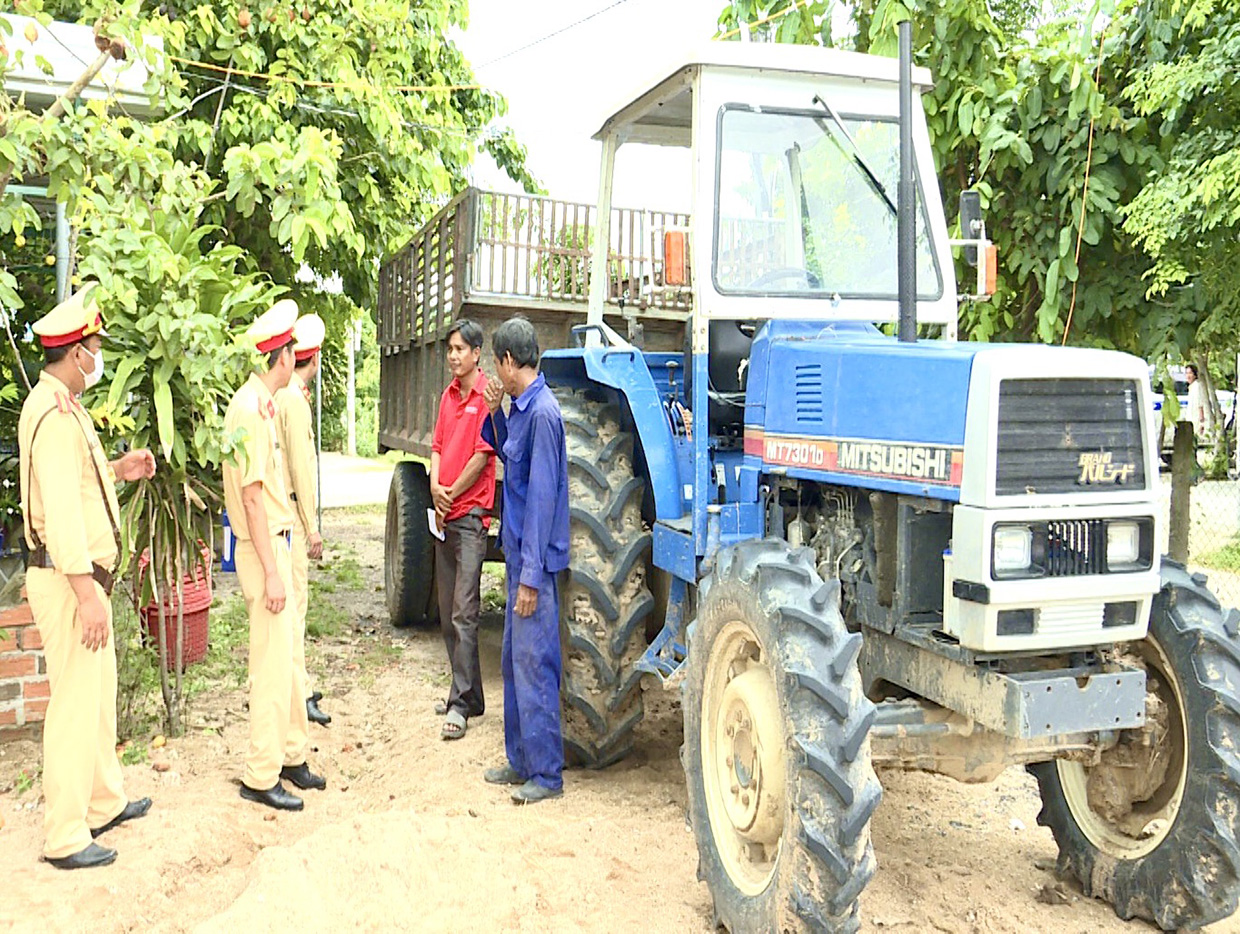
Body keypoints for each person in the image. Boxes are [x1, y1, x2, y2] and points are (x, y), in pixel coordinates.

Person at [19, 284, 156, 869]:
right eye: (95, 347)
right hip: (70, 582)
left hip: (86, 582)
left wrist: (121, 469)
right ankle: (66, 835)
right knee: (75, 703)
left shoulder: (66, 409)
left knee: (98, 697)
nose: (98, 358)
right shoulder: (52, 416)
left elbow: (81, 483)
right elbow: (62, 515)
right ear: (77, 354)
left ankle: (102, 801)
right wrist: (85, 591)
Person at [223, 299, 324, 812]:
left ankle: (288, 755)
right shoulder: (251, 408)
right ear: (284, 357)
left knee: (285, 662)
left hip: (277, 546)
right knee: (269, 665)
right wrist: (271, 571)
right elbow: (251, 498)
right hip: (265, 551)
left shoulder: (260, 404)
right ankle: (260, 774)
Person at [479, 317, 569, 804]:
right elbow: (510, 457)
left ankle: (547, 776)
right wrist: (496, 413)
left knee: (535, 665)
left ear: (509, 362)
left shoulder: (544, 414)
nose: (497, 371)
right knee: (515, 662)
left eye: (497, 363)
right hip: (518, 558)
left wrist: (531, 578)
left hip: (532, 564)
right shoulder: (522, 409)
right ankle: (520, 761)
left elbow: (539, 502)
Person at [430, 319, 496, 741]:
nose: (454, 355)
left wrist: (451, 492)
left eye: (460, 349)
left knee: (464, 611)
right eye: (450, 349)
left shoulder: (486, 396)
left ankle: (459, 706)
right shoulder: (448, 396)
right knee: (447, 615)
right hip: (445, 514)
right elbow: (437, 447)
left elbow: (482, 455)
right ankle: (468, 694)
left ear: (477, 354)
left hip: (471, 516)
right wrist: (435, 487)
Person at [274, 312, 330, 731]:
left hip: (287, 512)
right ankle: (298, 695)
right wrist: (311, 526)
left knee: (296, 608)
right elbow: (300, 468)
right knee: (295, 609)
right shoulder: (294, 399)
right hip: (292, 514)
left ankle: (301, 685)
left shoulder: (288, 395)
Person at [1186, 364, 1213, 440]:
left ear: (1195, 375)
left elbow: (1200, 404)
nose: (1188, 376)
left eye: (1190, 373)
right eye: (1187, 373)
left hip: (1196, 420)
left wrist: (1201, 422)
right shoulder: (1191, 387)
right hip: (1191, 419)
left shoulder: (1198, 386)